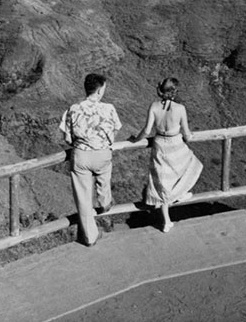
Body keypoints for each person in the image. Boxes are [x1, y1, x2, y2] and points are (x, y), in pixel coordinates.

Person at [131, 77, 203, 232]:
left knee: (163, 182)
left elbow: (146, 131)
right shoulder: (180, 108)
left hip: (159, 144)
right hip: (175, 143)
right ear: (174, 91)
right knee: (192, 164)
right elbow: (188, 135)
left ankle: (167, 222)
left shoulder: (154, 106)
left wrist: (134, 139)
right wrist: (191, 136)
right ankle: (180, 193)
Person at [59, 73, 122, 247]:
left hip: (81, 156)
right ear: (100, 90)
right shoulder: (109, 108)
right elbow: (115, 131)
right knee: (104, 179)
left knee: (83, 198)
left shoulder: (73, 109)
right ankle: (105, 202)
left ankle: (90, 237)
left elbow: (68, 139)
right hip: (102, 154)